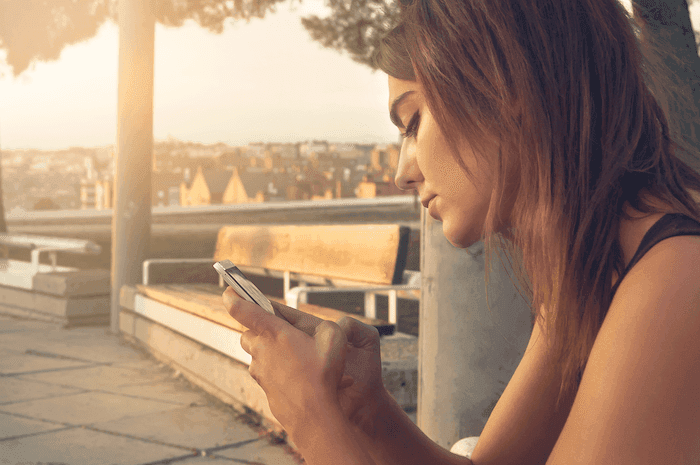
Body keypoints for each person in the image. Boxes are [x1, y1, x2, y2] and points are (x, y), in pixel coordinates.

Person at [223, 1, 700, 463]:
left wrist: (313, 421)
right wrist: (370, 413)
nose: (402, 173)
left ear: (504, 88)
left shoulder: (678, 282)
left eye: (412, 123)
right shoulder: (590, 268)